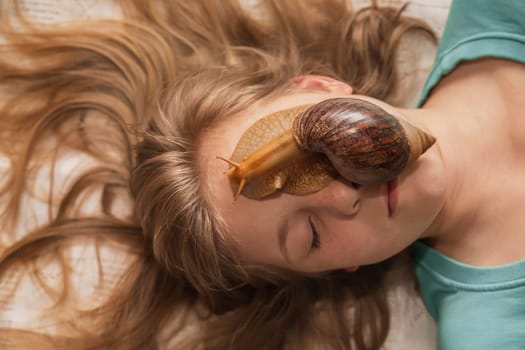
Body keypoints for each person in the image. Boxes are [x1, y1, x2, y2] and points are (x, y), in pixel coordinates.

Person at [4, 0, 519, 349]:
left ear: (321, 87)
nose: (343, 196)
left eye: (306, 151)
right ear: (339, 271)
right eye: (311, 235)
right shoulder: (492, 333)